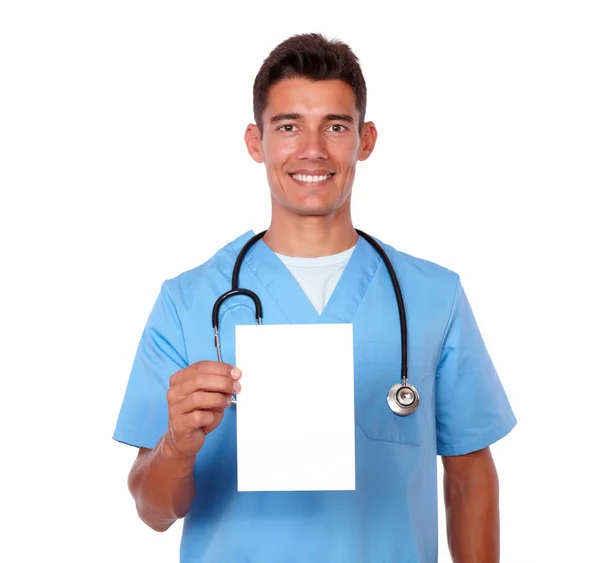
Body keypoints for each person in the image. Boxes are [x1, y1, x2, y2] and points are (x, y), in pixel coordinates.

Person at [113, 32, 517, 563]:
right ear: (255, 142)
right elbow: (154, 511)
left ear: (364, 140)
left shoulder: (432, 297)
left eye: (335, 126)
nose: (312, 149)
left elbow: (468, 474)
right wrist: (176, 447)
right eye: (288, 126)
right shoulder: (186, 302)